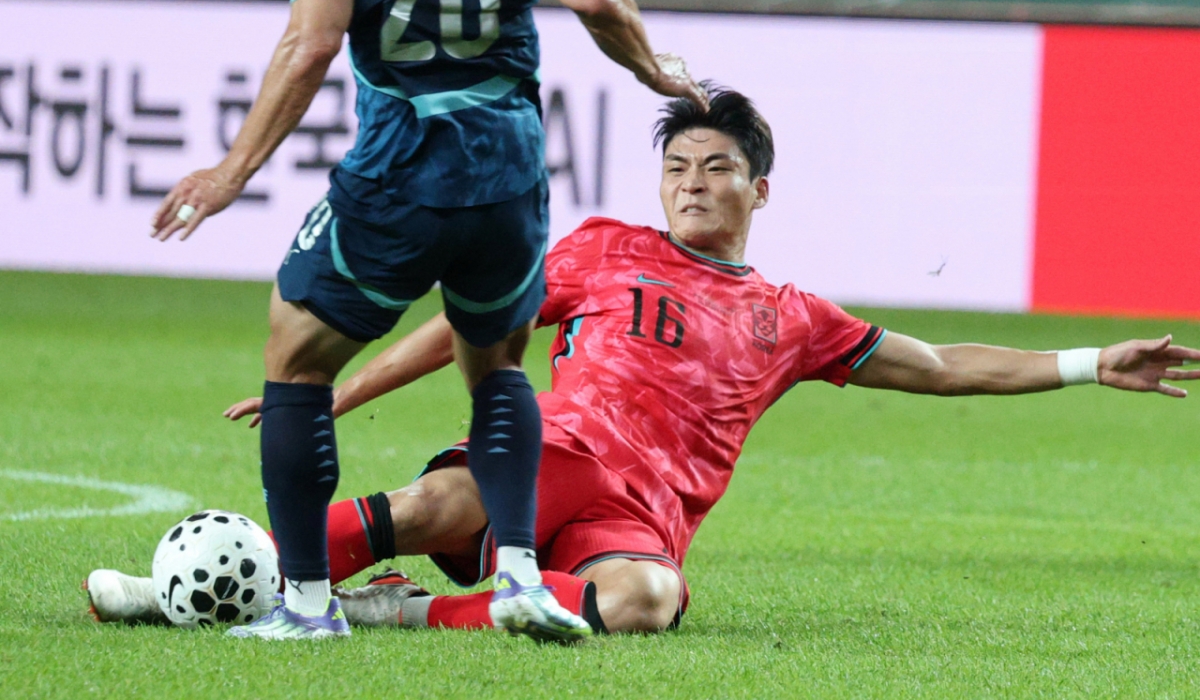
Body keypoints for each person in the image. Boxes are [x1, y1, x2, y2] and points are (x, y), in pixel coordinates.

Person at [102, 89, 1200, 635]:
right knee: (449, 496)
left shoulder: (793, 315)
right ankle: (180, 585)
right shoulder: (600, 249)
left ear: (758, 189)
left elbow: (944, 361)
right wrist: (339, 389)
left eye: (717, 166)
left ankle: (398, 611)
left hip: (645, 516)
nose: (692, 180)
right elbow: (464, 329)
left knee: (643, 602)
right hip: (562, 454)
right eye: (678, 163)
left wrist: (1091, 360)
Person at [148, 0, 705, 643]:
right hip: (509, 175)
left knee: (296, 357)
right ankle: (523, 577)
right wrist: (656, 68)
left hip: (400, 173)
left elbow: (313, 42)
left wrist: (234, 170)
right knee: (497, 371)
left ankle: (311, 607)